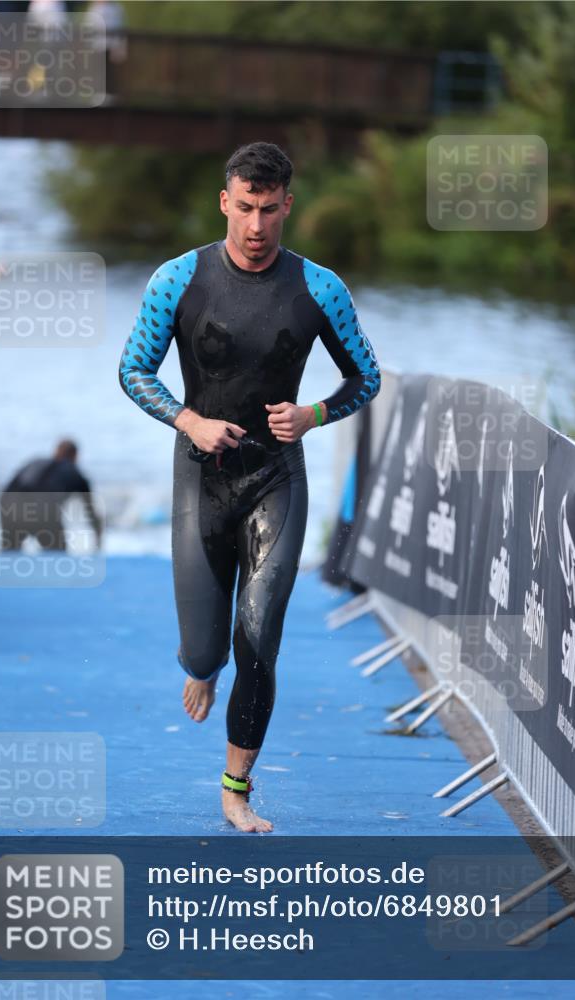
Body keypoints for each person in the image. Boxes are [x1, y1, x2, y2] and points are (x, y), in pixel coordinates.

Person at [119, 142, 381, 833]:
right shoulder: (177, 280)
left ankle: (235, 787)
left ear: (286, 205)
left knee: (259, 637)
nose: (256, 226)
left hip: (275, 478)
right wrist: (187, 419)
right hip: (198, 479)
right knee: (205, 649)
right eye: (244, 209)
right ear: (224, 203)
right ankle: (199, 666)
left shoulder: (319, 288)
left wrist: (312, 414)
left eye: (269, 210)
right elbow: (132, 371)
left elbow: (366, 378)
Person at [0, 439, 102, 552]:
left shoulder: (35, 462)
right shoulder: (75, 473)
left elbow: (7, 490)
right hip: (43, 513)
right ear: (75, 456)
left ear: (56, 452)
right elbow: (91, 513)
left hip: (10, 507)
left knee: (10, 553)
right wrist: (98, 544)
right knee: (57, 556)